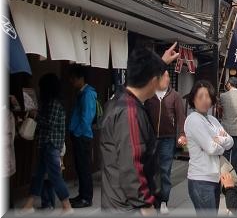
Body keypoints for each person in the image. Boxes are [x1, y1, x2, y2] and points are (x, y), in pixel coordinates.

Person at [100, 43, 179, 214]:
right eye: (159, 77)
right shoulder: (130, 111)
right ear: (152, 81)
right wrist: (145, 204)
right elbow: (133, 164)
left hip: (119, 201)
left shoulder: (119, 99)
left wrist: (161, 62)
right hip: (129, 207)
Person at [20, 74, 72, 214]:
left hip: (51, 144)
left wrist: (36, 116)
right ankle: (29, 205)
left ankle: (67, 206)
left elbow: (50, 124)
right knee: (38, 175)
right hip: (47, 144)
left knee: (54, 176)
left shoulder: (54, 103)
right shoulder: (52, 103)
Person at [185, 80, 234, 213]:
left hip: (215, 178)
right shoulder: (193, 119)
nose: (205, 100)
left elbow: (230, 142)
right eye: (200, 97)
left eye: (208, 96)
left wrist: (219, 140)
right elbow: (211, 148)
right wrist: (220, 143)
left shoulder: (212, 120)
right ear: (193, 99)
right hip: (201, 179)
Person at [145, 66, 187, 215]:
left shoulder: (174, 95)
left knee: (164, 170)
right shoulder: (149, 95)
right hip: (150, 139)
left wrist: (182, 134)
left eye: (168, 76)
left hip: (167, 139)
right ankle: (151, 199)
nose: (167, 79)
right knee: (150, 169)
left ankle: (163, 201)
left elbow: (181, 117)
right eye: (164, 76)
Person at [68, 66, 97, 209]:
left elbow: (87, 117)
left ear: (81, 78)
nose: (71, 81)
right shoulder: (82, 93)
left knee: (84, 168)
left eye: (73, 78)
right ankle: (82, 195)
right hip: (79, 135)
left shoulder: (88, 94)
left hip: (83, 136)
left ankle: (86, 198)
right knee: (80, 168)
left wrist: (78, 133)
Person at [219, 77, 237, 177]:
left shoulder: (223, 96)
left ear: (229, 84)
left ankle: (225, 171)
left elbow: (220, 109)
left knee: (226, 151)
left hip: (226, 128)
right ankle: (236, 171)